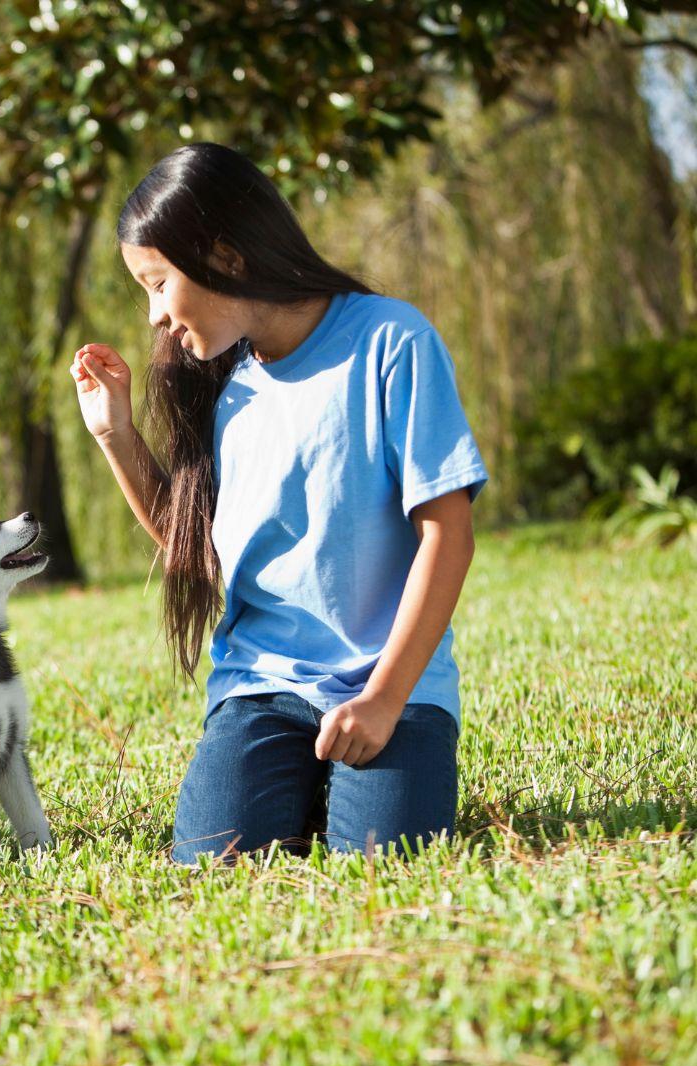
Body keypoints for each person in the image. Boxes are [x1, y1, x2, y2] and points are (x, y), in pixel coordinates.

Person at [68, 143, 489, 866]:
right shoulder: (221, 379)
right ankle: (303, 781)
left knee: (384, 868)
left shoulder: (392, 340)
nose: (152, 316)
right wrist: (116, 434)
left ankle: (339, 783)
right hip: (263, 688)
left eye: (158, 284)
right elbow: (191, 546)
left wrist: (384, 699)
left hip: (394, 684)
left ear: (226, 258)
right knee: (211, 864)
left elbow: (447, 536)